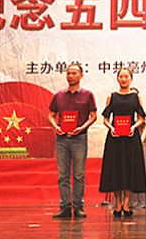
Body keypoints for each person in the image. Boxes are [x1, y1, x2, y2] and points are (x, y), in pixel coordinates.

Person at [47, 63, 97, 218]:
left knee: (79, 175)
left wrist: (82, 128)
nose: (71, 76)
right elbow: (51, 114)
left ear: (81, 75)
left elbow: (93, 116)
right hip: (62, 139)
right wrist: (56, 126)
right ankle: (65, 207)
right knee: (63, 175)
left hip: (79, 139)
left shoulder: (88, 95)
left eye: (74, 73)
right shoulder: (59, 95)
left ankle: (78, 207)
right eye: (68, 73)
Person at [99, 68, 146, 218]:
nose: (124, 79)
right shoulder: (112, 97)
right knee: (116, 170)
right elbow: (105, 119)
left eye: (126, 76)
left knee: (130, 169)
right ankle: (118, 204)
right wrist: (112, 128)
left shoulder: (136, 97)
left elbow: (141, 118)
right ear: (117, 78)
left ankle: (126, 204)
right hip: (115, 139)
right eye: (121, 76)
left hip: (131, 138)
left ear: (131, 79)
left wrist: (133, 127)